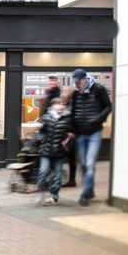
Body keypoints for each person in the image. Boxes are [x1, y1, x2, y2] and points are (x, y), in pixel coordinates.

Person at [70, 68, 112, 206]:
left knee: (89, 163)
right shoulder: (75, 94)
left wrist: (98, 119)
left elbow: (108, 107)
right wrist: (71, 129)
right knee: (83, 164)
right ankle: (90, 191)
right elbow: (72, 111)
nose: (76, 85)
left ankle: (84, 195)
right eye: (75, 82)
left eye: (78, 82)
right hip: (80, 133)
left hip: (94, 132)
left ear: (85, 79)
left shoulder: (98, 89)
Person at [36, 97, 74, 206]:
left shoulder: (68, 119)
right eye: (58, 104)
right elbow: (41, 132)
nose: (61, 106)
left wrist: (70, 137)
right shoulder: (46, 118)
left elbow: (72, 132)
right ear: (53, 106)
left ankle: (53, 196)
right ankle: (41, 190)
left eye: (63, 104)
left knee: (57, 176)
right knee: (43, 172)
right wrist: (41, 139)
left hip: (59, 152)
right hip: (46, 151)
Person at [44, 75, 77, 187]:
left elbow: (71, 118)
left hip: (69, 134)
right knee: (61, 156)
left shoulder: (71, 105)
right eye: (63, 93)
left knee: (70, 157)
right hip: (61, 132)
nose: (64, 94)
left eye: (66, 93)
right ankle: (59, 177)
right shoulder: (58, 100)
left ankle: (70, 179)